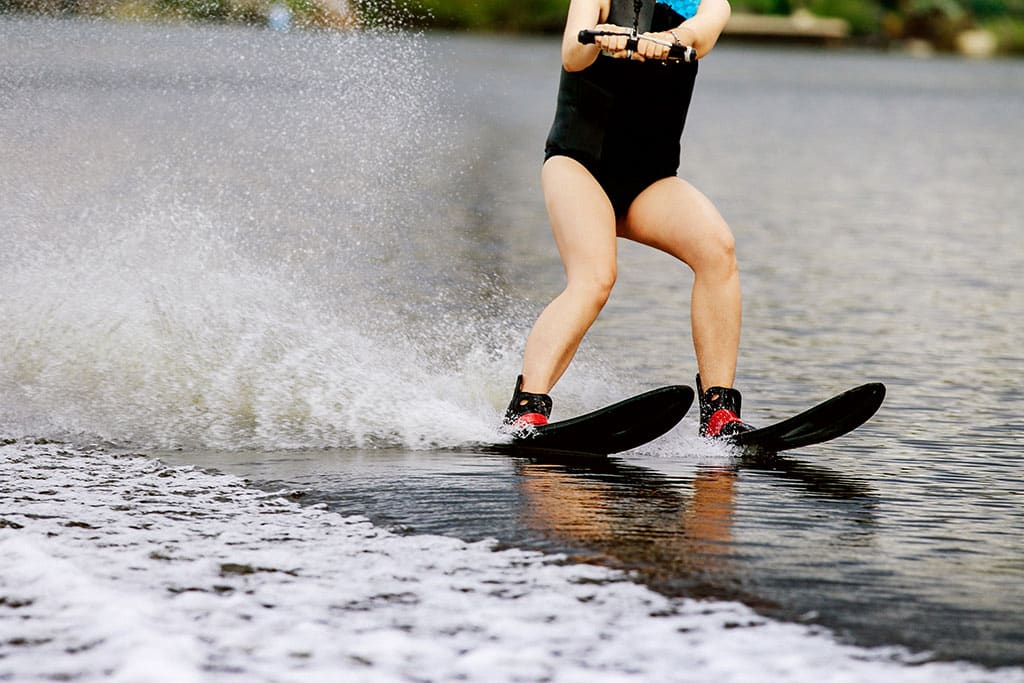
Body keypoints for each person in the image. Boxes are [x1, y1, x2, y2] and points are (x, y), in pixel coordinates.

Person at [503, 0, 753, 438]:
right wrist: (602, 39)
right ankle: (527, 409)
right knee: (595, 278)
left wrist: (667, 42)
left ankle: (719, 413)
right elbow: (571, 54)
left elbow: (701, 35)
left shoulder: (710, 4)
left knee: (718, 250)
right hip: (578, 164)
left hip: (649, 181)